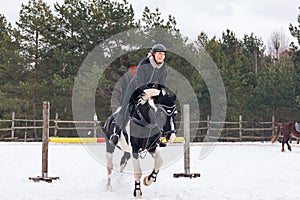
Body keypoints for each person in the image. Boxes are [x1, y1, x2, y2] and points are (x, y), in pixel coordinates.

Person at [110, 44, 168, 145]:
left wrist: (162, 93)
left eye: (163, 54)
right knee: (124, 109)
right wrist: (149, 91)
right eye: (159, 54)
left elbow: (161, 84)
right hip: (135, 89)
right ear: (154, 54)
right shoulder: (144, 63)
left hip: (150, 91)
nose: (161, 56)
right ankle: (116, 134)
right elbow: (139, 82)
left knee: (160, 109)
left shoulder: (163, 68)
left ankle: (159, 136)